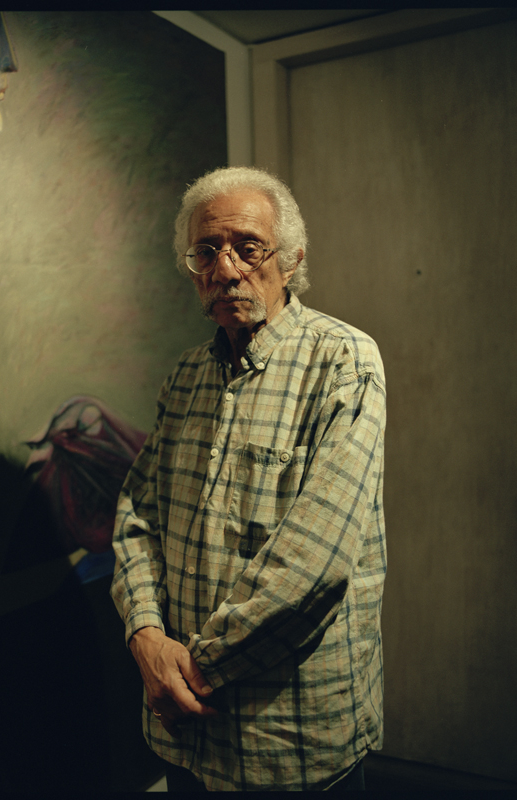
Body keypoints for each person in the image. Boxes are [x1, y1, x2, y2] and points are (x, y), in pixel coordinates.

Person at [111, 166, 386, 791]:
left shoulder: (344, 363)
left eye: (248, 247)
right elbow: (136, 519)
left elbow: (314, 563)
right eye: (207, 251)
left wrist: (188, 671)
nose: (226, 268)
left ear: (289, 260)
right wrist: (146, 635)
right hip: (183, 735)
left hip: (287, 739)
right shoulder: (184, 377)